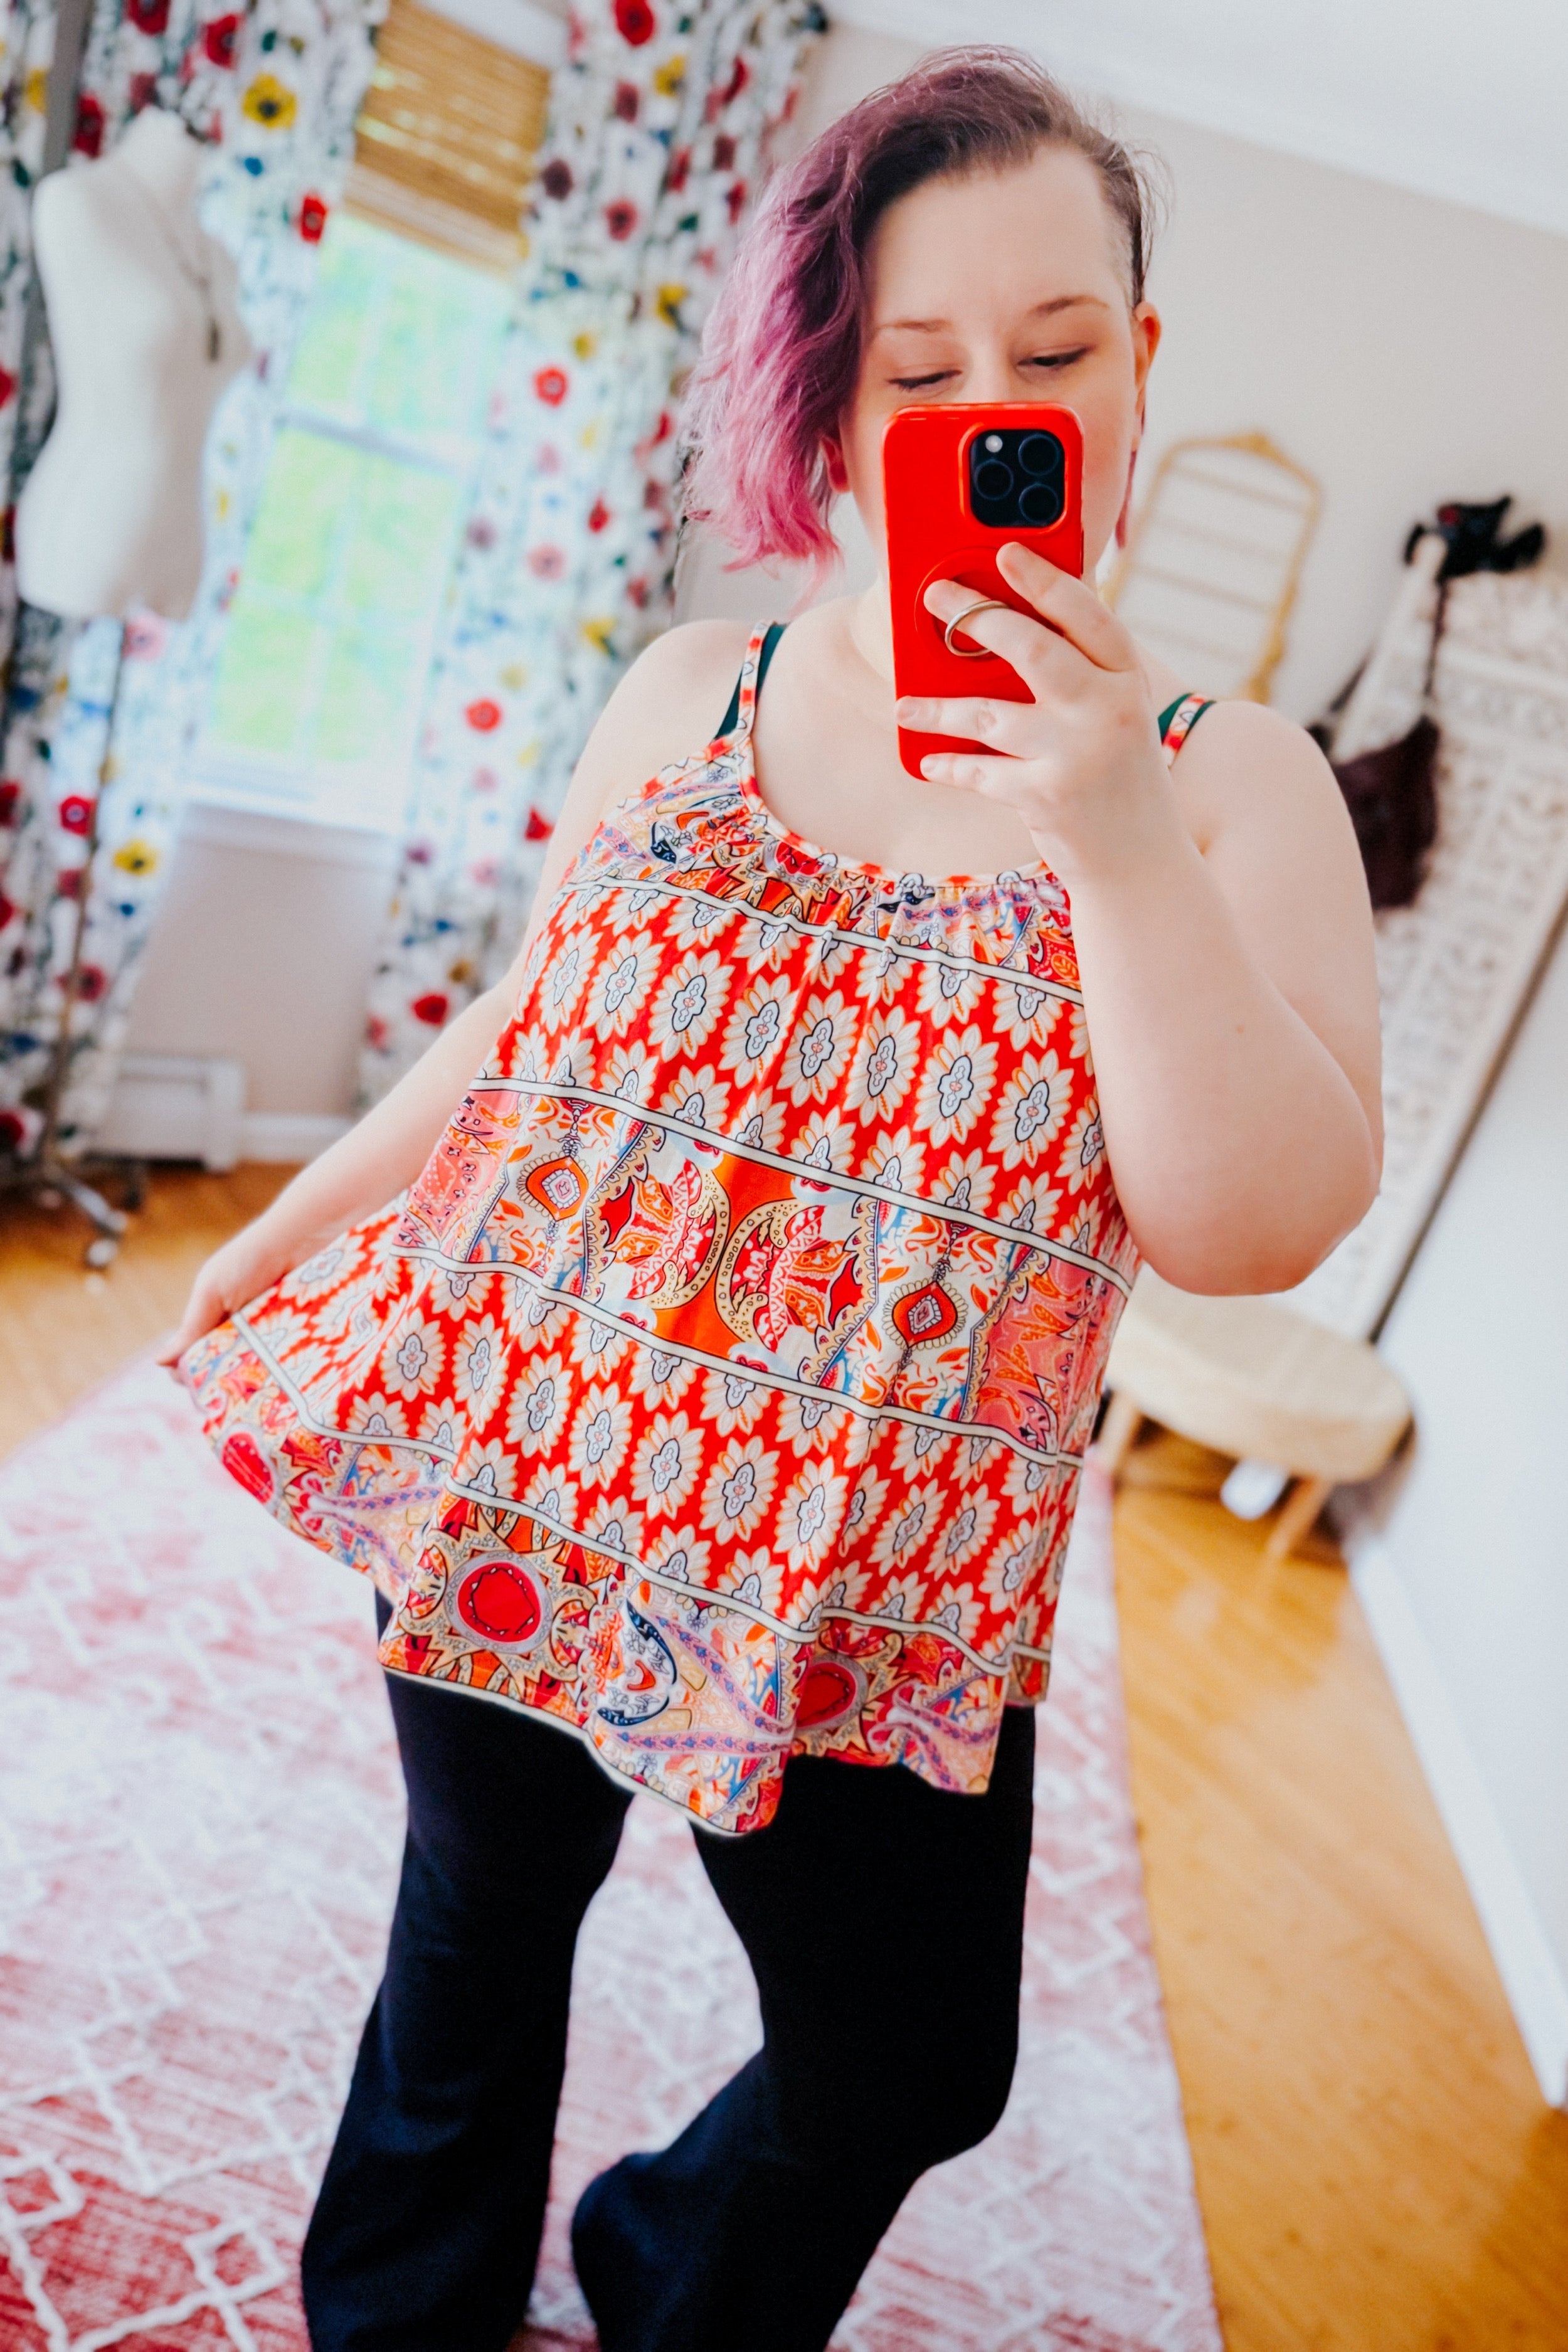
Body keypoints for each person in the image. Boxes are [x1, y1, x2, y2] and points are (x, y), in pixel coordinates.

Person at [164, 45, 1380, 2352]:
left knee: (911, 2062)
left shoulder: (1238, 794)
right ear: (830, 412)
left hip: (883, 1586)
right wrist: (289, 1223)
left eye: (1052, 354)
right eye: (920, 372)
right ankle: (395, 2323)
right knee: (472, 1946)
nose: (988, 412)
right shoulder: (683, 692)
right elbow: (523, 1027)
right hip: (537, 1441)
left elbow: (1254, 1223)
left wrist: (1109, 830)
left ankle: (666, 2266)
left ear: (1139, 370)